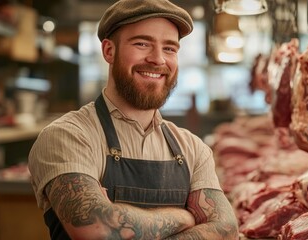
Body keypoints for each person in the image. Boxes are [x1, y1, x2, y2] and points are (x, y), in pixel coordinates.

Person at [28, 0, 239, 239]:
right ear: (109, 51)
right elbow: (97, 230)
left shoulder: (193, 149)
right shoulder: (67, 136)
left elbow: (226, 229)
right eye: (142, 43)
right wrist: (183, 217)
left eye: (169, 48)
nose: (158, 59)